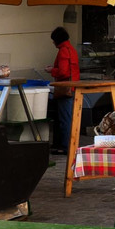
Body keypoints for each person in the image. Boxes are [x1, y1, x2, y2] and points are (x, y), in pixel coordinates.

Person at [46, 26, 79, 154]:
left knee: (65, 119)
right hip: (73, 87)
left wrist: (51, 70)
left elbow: (63, 72)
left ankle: (66, 146)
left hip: (65, 89)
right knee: (67, 117)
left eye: (53, 40)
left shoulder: (63, 51)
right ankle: (63, 145)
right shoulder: (71, 49)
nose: (52, 42)